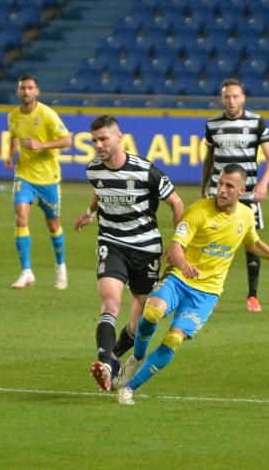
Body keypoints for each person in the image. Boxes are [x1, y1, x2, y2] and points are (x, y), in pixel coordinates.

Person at [117, 164, 269, 405]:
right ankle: (137, 358)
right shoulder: (199, 210)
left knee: (173, 340)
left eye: (229, 186)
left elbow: (253, 243)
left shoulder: (246, 215)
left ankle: (129, 388)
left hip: (206, 294)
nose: (221, 190)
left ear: (241, 190)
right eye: (220, 184)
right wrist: (183, 264)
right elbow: (175, 246)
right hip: (180, 279)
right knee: (152, 312)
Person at [74, 115, 184, 391]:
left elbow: (176, 202)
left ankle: (113, 357)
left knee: (142, 320)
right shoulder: (93, 170)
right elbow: (100, 192)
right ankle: (104, 362)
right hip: (112, 243)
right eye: (94, 140)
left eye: (103, 139)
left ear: (119, 137)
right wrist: (89, 214)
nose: (98, 145)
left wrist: (177, 243)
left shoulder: (145, 171)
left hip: (146, 249)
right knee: (110, 302)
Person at [201, 78, 269, 313]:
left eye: (235, 96)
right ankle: (205, 291)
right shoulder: (212, 124)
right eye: (227, 97)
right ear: (221, 99)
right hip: (218, 193)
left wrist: (263, 183)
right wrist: (204, 187)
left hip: (247, 194)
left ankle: (252, 295)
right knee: (211, 241)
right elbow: (209, 159)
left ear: (243, 98)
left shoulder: (256, 122)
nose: (231, 101)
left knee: (251, 244)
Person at [5, 75, 73, 290]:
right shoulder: (13, 116)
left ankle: (60, 266)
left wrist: (42, 145)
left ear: (37, 91)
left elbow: (68, 140)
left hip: (48, 178)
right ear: (18, 92)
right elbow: (13, 135)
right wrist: (10, 154)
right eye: (22, 88)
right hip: (24, 175)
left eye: (30, 88)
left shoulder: (47, 114)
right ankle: (26, 272)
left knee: (53, 223)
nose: (26, 91)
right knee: (21, 217)